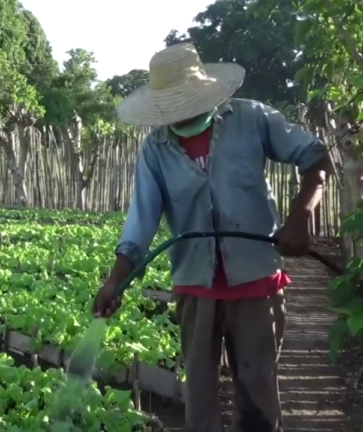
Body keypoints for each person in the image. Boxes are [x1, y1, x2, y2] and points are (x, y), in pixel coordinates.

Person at [92, 43, 333, 432]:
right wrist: (115, 279)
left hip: (256, 281)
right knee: (200, 404)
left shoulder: (252, 119)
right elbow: (141, 221)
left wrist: (300, 217)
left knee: (258, 399)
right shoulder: (155, 150)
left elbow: (316, 158)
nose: (182, 114)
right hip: (195, 287)